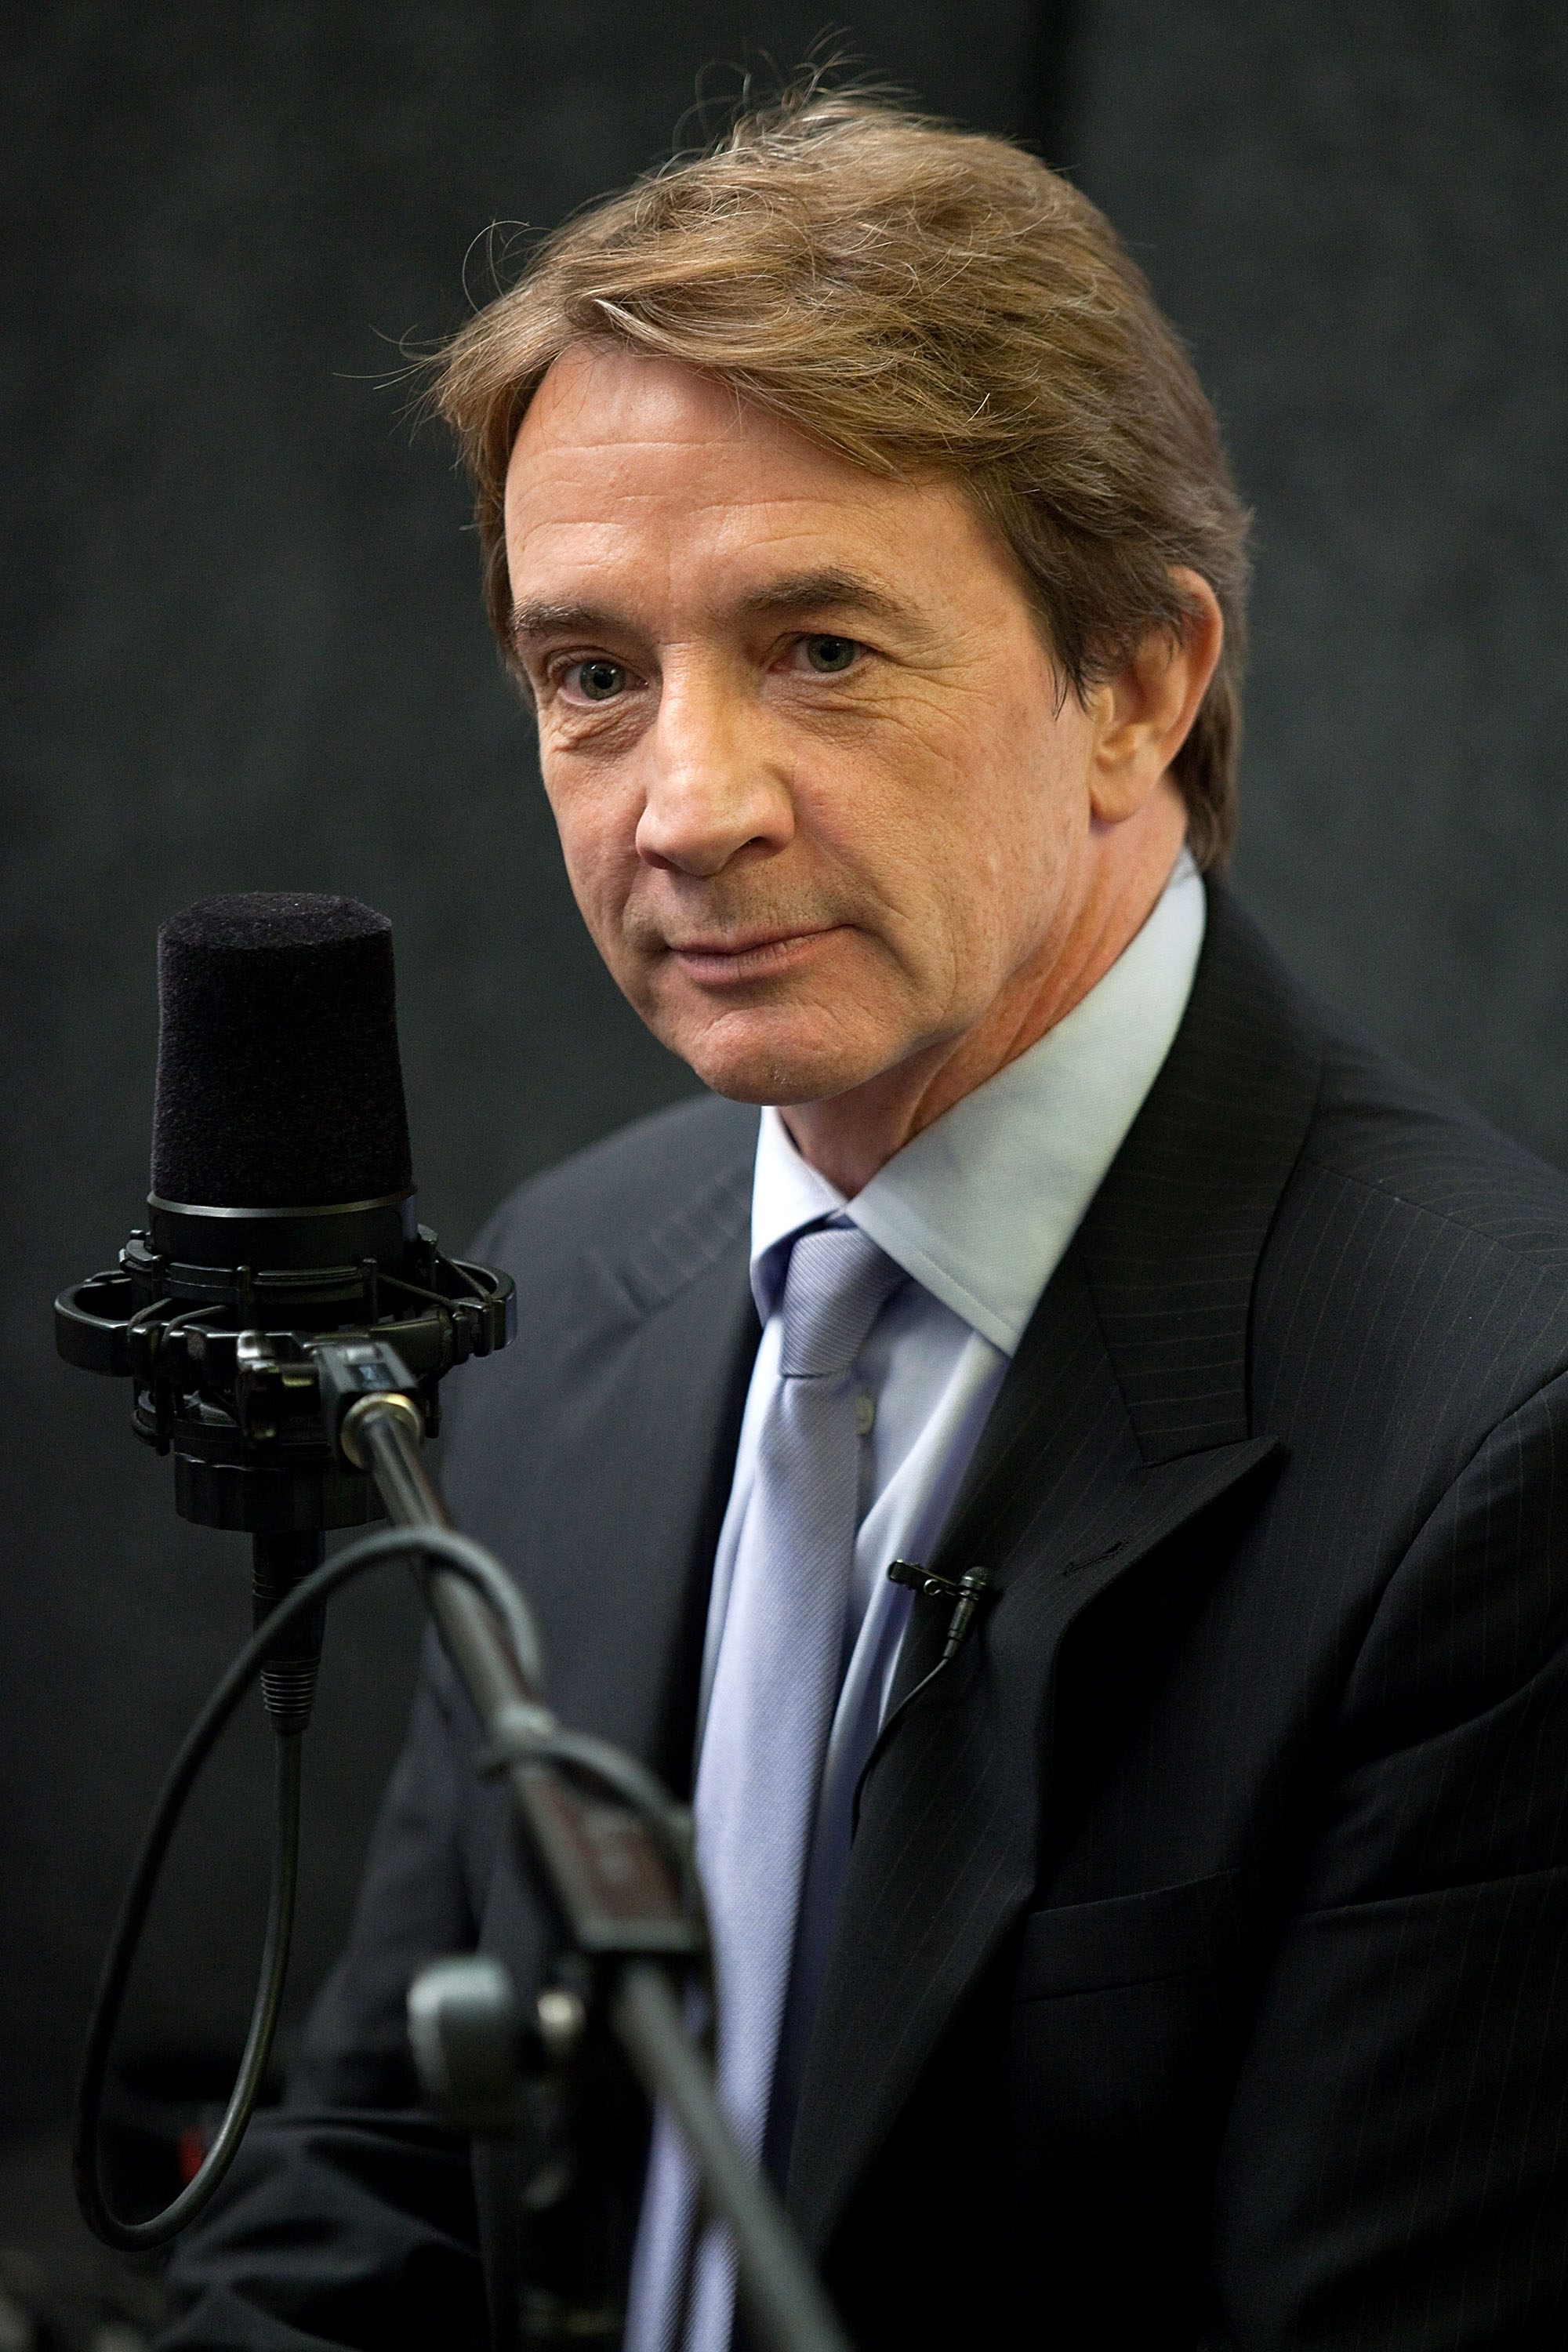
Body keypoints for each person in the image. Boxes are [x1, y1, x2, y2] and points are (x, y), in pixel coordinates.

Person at [160, 92, 1568, 2350]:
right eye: (593, 675)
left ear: (1137, 684)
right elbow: (385, 2182)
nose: (687, 811)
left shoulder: (1503, 1442)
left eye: (821, 646)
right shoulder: (572, 1287)